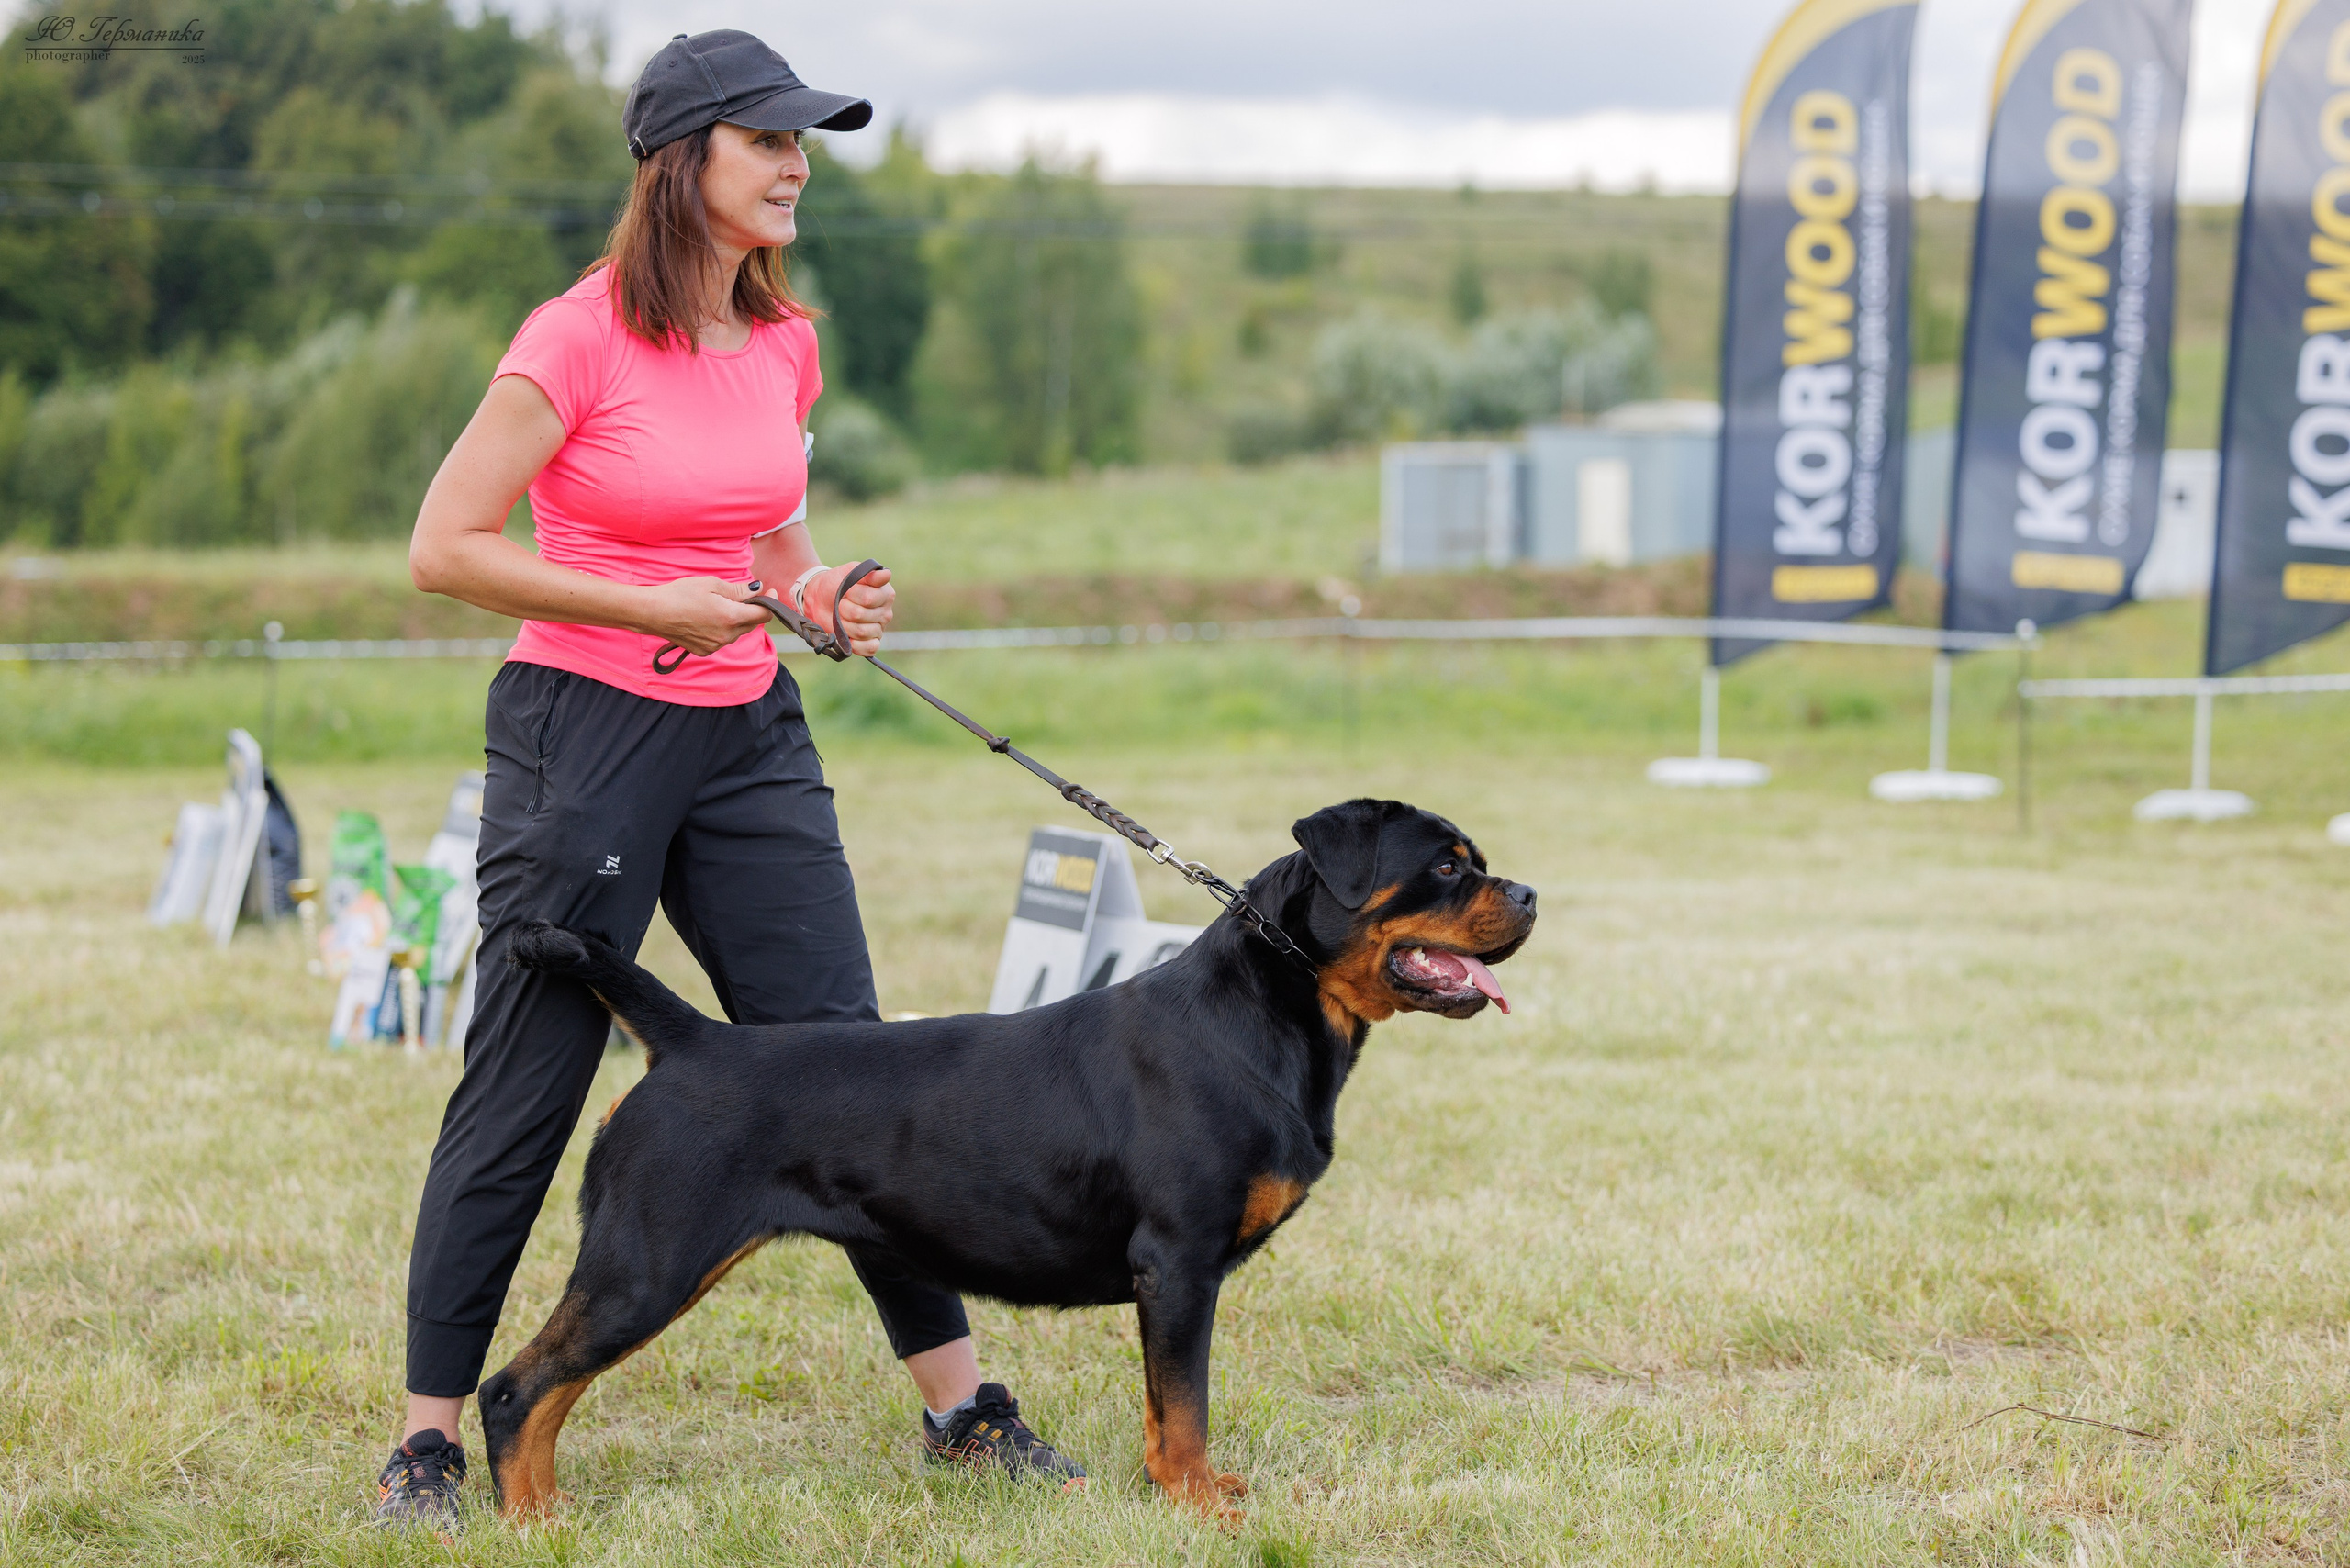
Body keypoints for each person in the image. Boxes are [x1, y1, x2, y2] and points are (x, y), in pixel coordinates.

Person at [375, 30, 1085, 1531]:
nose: (796, 165)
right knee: (531, 1078)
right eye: (767, 139)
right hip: (586, 731)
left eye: (804, 141)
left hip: (750, 731)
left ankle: (960, 1411)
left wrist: (816, 598)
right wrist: (649, 607)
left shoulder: (784, 341)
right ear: (681, 158)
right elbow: (446, 546)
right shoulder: (573, 338)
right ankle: (433, 1444)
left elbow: (766, 539)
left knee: (856, 1068)